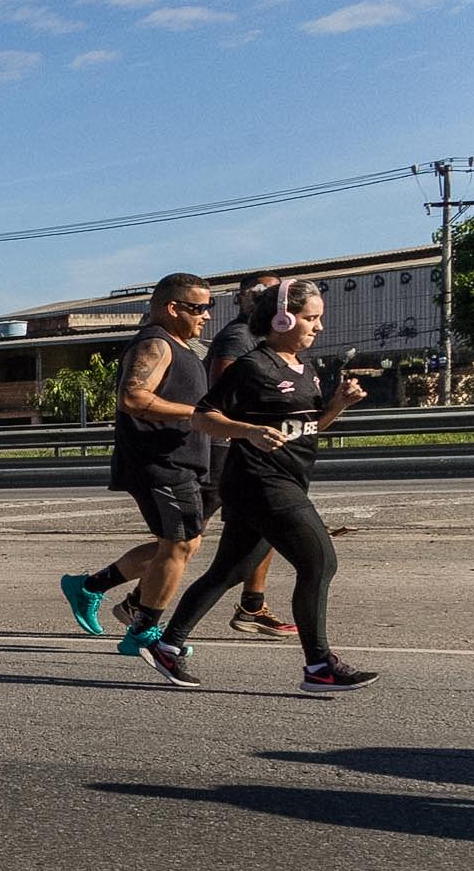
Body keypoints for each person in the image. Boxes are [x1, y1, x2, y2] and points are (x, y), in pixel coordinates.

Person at [140, 279, 376, 692]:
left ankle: (168, 646)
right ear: (282, 319)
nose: (319, 326)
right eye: (311, 318)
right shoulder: (253, 366)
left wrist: (338, 405)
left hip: (287, 478)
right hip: (259, 482)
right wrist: (247, 430)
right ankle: (319, 666)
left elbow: (307, 428)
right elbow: (203, 416)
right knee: (320, 563)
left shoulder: (306, 368)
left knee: (230, 571)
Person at [57, 273, 217, 653]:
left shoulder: (183, 347)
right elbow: (133, 397)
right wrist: (194, 415)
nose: (207, 315)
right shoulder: (155, 344)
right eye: (199, 307)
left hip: (178, 462)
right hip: (160, 463)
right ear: (173, 307)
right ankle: (143, 631)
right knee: (179, 546)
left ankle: (90, 587)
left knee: (180, 545)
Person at [202, 271, 298, 639]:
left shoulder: (263, 339)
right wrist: (249, 428)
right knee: (184, 540)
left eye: (276, 293)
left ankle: (252, 606)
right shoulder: (238, 336)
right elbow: (220, 391)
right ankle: (124, 594)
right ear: (243, 298)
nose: (268, 299)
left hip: (252, 447)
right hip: (228, 448)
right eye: (259, 292)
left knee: (261, 527)